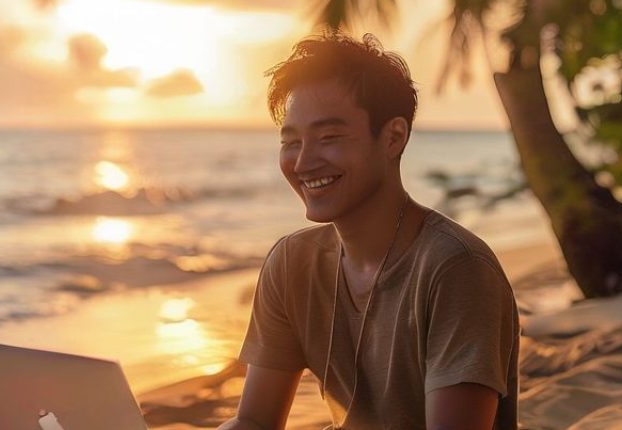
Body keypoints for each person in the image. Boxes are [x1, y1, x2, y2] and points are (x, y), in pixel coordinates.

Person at [219, 33, 520, 430]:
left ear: (393, 137)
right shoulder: (292, 263)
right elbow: (254, 422)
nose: (304, 162)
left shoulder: (456, 268)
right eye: (291, 142)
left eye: (328, 138)